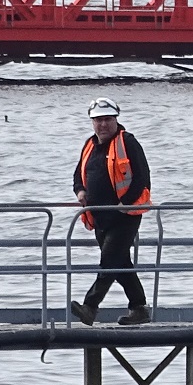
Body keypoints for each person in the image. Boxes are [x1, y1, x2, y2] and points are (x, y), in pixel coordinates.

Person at [69, 98, 153, 325]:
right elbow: (78, 174)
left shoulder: (128, 142)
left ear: (116, 120)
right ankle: (139, 309)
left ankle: (90, 307)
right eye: (98, 120)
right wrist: (80, 191)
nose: (103, 125)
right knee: (120, 263)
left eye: (107, 120)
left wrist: (123, 203)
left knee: (109, 262)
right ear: (92, 122)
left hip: (125, 216)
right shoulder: (90, 144)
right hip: (99, 216)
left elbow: (142, 178)